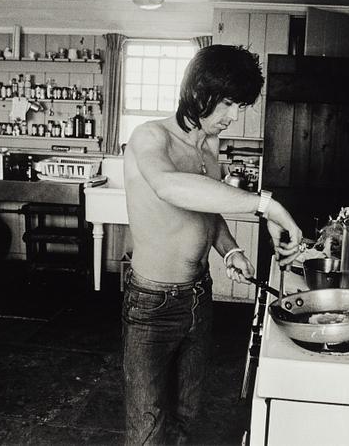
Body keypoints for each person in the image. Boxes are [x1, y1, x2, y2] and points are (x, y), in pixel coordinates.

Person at [122, 44, 303, 445]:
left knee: (188, 413)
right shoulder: (151, 137)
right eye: (227, 104)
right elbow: (170, 188)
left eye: (239, 106)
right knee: (147, 426)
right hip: (153, 302)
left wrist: (232, 250)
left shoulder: (210, 149)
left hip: (199, 295)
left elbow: (207, 210)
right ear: (199, 91)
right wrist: (267, 207)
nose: (233, 117)